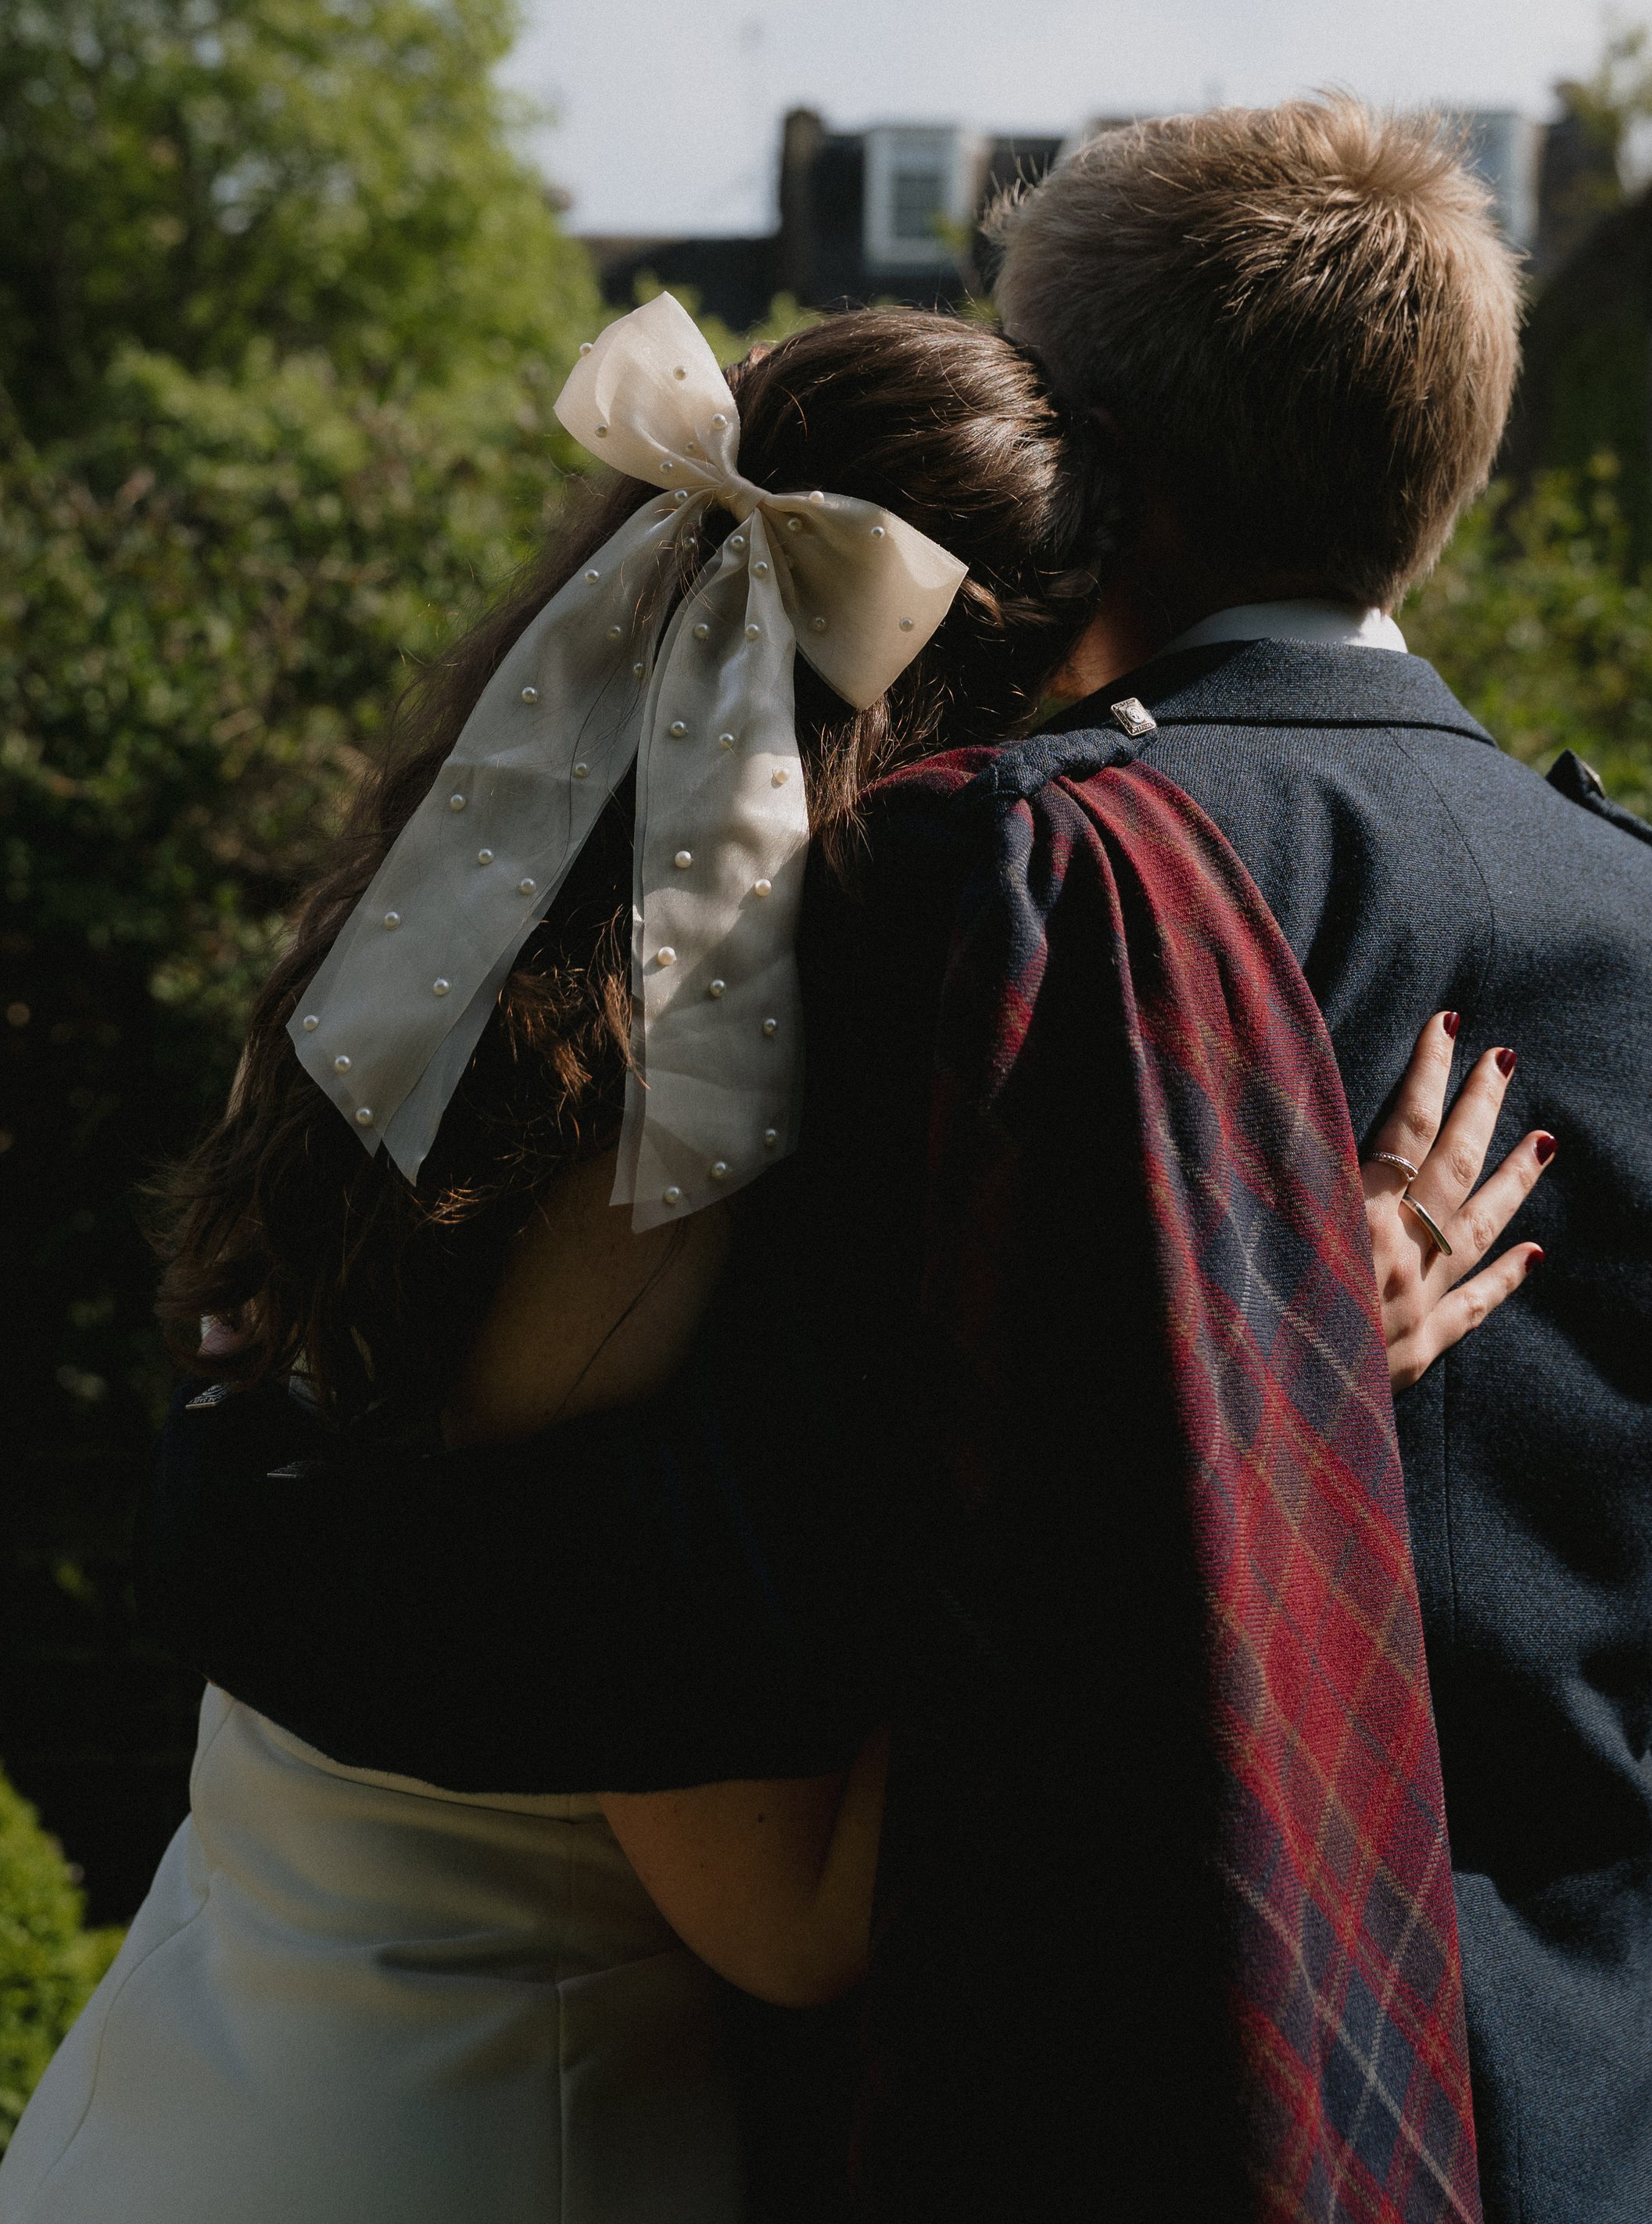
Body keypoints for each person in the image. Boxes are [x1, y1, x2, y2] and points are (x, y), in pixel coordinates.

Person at [3, 292, 1541, 2224]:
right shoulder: (653, 1184)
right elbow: (792, 1921)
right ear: (955, 723)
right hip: (490, 2140)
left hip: (179, 2086)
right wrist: (1274, 1368)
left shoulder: (414, 984)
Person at [986, 98, 1652, 2221]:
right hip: (1595, 2134)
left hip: (1128, 2121)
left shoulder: (1028, 864)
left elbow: (874, 1583)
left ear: (1083, 459)